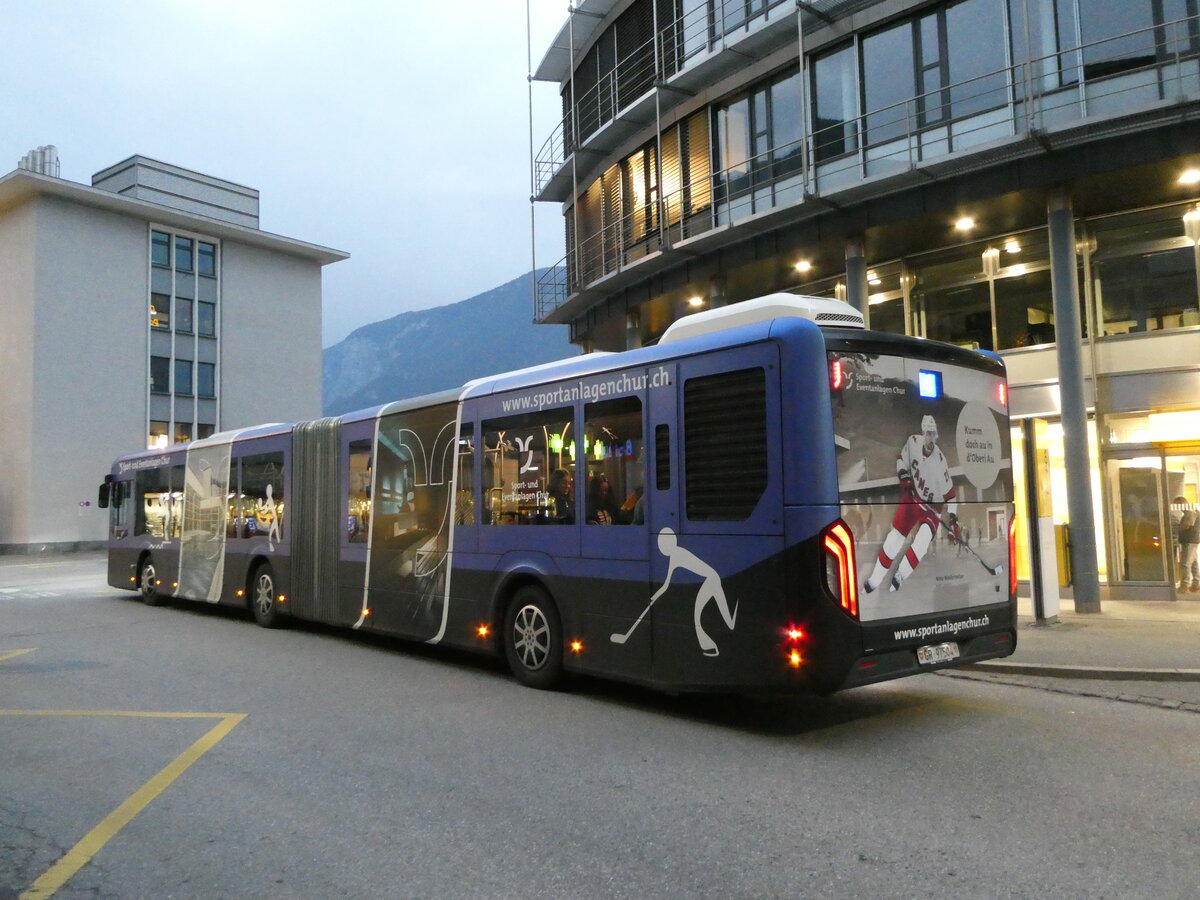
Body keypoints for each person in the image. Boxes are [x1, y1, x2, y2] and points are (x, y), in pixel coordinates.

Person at [864, 414, 958, 594]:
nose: (931, 437)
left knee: (921, 542)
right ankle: (875, 579)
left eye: (933, 433)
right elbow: (901, 460)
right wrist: (903, 476)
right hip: (913, 497)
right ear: (923, 432)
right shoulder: (913, 442)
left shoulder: (940, 462)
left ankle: (900, 575)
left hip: (932, 508)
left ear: (937, 435)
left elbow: (951, 496)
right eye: (928, 433)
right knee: (894, 539)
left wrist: (953, 519)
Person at [1177, 509, 1199, 593]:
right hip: (1193, 540)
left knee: (1185, 563)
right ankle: (1196, 584)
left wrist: (1178, 528)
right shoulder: (1194, 513)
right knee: (1194, 563)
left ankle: (1185, 585)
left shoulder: (1189, 513)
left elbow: (1187, 525)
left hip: (1189, 541)